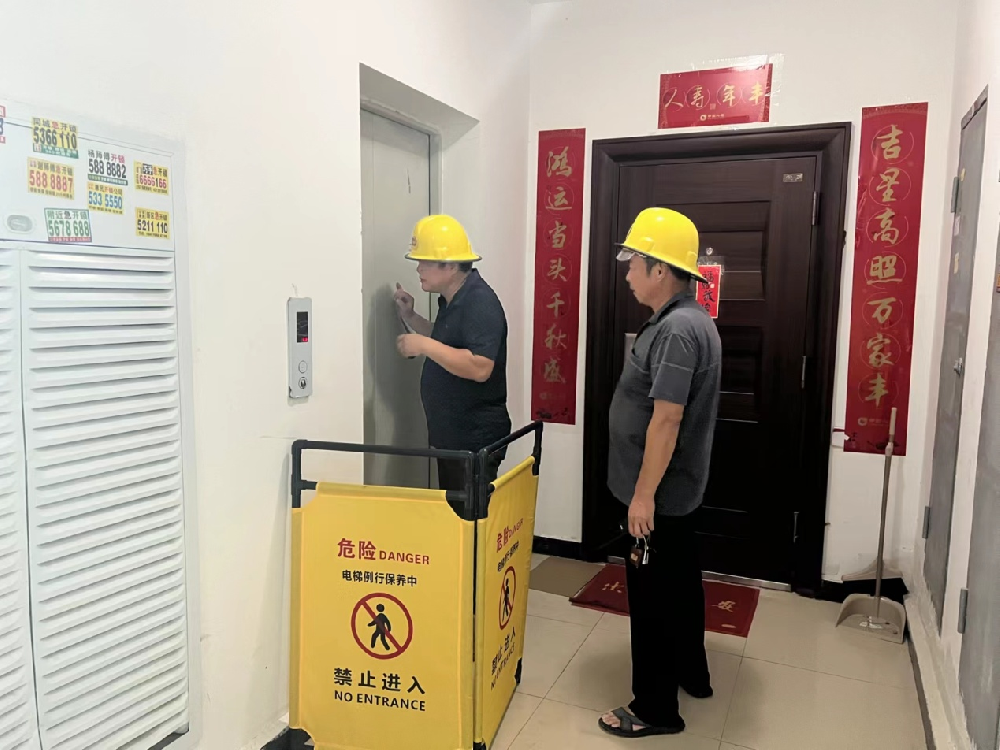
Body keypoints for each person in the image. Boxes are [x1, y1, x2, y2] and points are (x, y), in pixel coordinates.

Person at [598, 207, 722, 739]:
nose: (627, 274)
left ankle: (654, 708)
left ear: (661, 270)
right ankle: (693, 673)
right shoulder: (686, 320)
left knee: (652, 601)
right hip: (676, 494)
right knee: (681, 586)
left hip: (659, 497)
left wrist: (642, 496)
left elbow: (667, 419)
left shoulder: (677, 330)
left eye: (634, 263)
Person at [394, 214, 510, 492]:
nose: (418, 269)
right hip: (455, 437)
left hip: (473, 441)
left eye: (424, 262)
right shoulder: (454, 298)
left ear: (449, 265)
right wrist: (411, 317)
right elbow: (449, 341)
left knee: (467, 514)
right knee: (454, 510)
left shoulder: (479, 302)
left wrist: (423, 345)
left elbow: (480, 367)